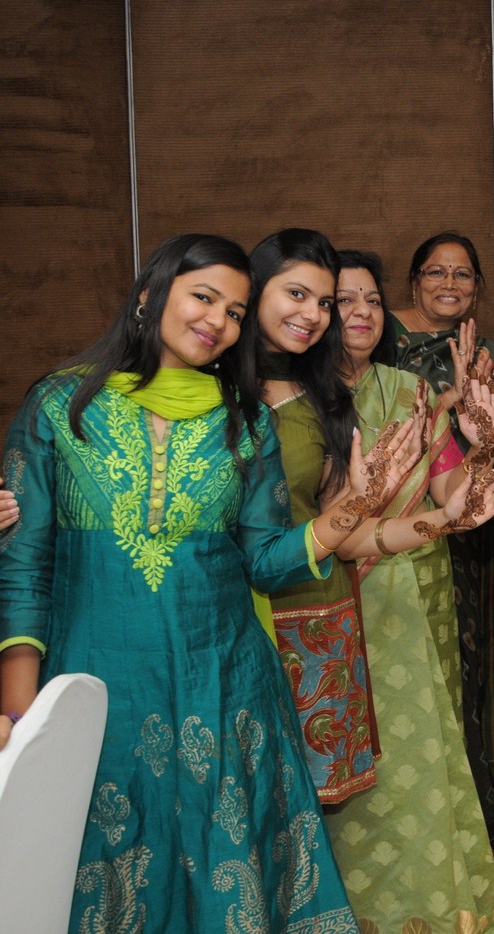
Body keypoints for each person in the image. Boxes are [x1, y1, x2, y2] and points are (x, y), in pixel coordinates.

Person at [0, 234, 418, 931]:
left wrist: (344, 515)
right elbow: (22, 562)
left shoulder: (245, 421)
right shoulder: (60, 407)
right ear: (149, 296)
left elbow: (264, 558)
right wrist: (22, 716)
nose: (217, 321)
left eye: (234, 311)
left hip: (224, 684)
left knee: (225, 858)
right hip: (98, 683)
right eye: (204, 298)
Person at [326, 250, 494, 932]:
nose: (360, 313)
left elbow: (454, 495)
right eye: (342, 300)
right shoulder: (291, 395)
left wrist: (485, 442)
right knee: (354, 760)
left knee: (426, 747)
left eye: (370, 300)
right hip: (334, 595)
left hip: (423, 592)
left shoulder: (407, 389)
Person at [383, 230, 494, 840]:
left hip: (469, 523)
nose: (448, 284)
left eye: (462, 275)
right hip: (382, 523)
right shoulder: (374, 338)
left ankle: (468, 823)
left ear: (478, 288)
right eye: (435, 272)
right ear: (413, 282)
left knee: (467, 666)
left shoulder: (486, 354)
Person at [248, 229, 376, 802]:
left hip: (312, 613)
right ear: (253, 290)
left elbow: (337, 522)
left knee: (308, 797)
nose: (314, 315)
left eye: (323, 303)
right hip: (224, 610)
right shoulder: (204, 391)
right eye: (297, 294)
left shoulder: (325, 399)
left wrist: (443, 515)